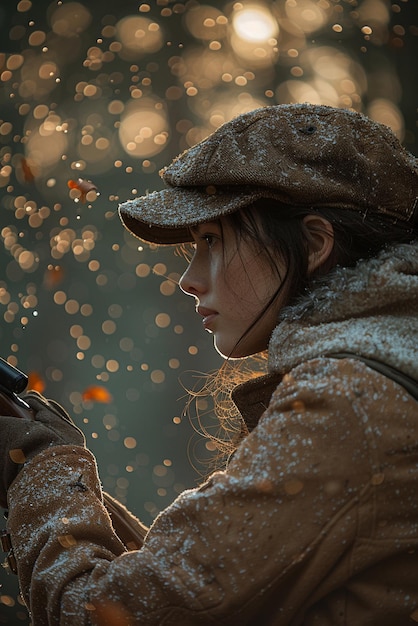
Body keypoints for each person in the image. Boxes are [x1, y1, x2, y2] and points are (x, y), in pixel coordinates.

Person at [1, 103, 418, 625]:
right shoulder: (381, 381)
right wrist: (56, 467)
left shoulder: (347, 405)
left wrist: (38, 472)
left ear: (313, 244)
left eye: (213, 241)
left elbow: (107, 615)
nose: (189, 279)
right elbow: (193, 595)